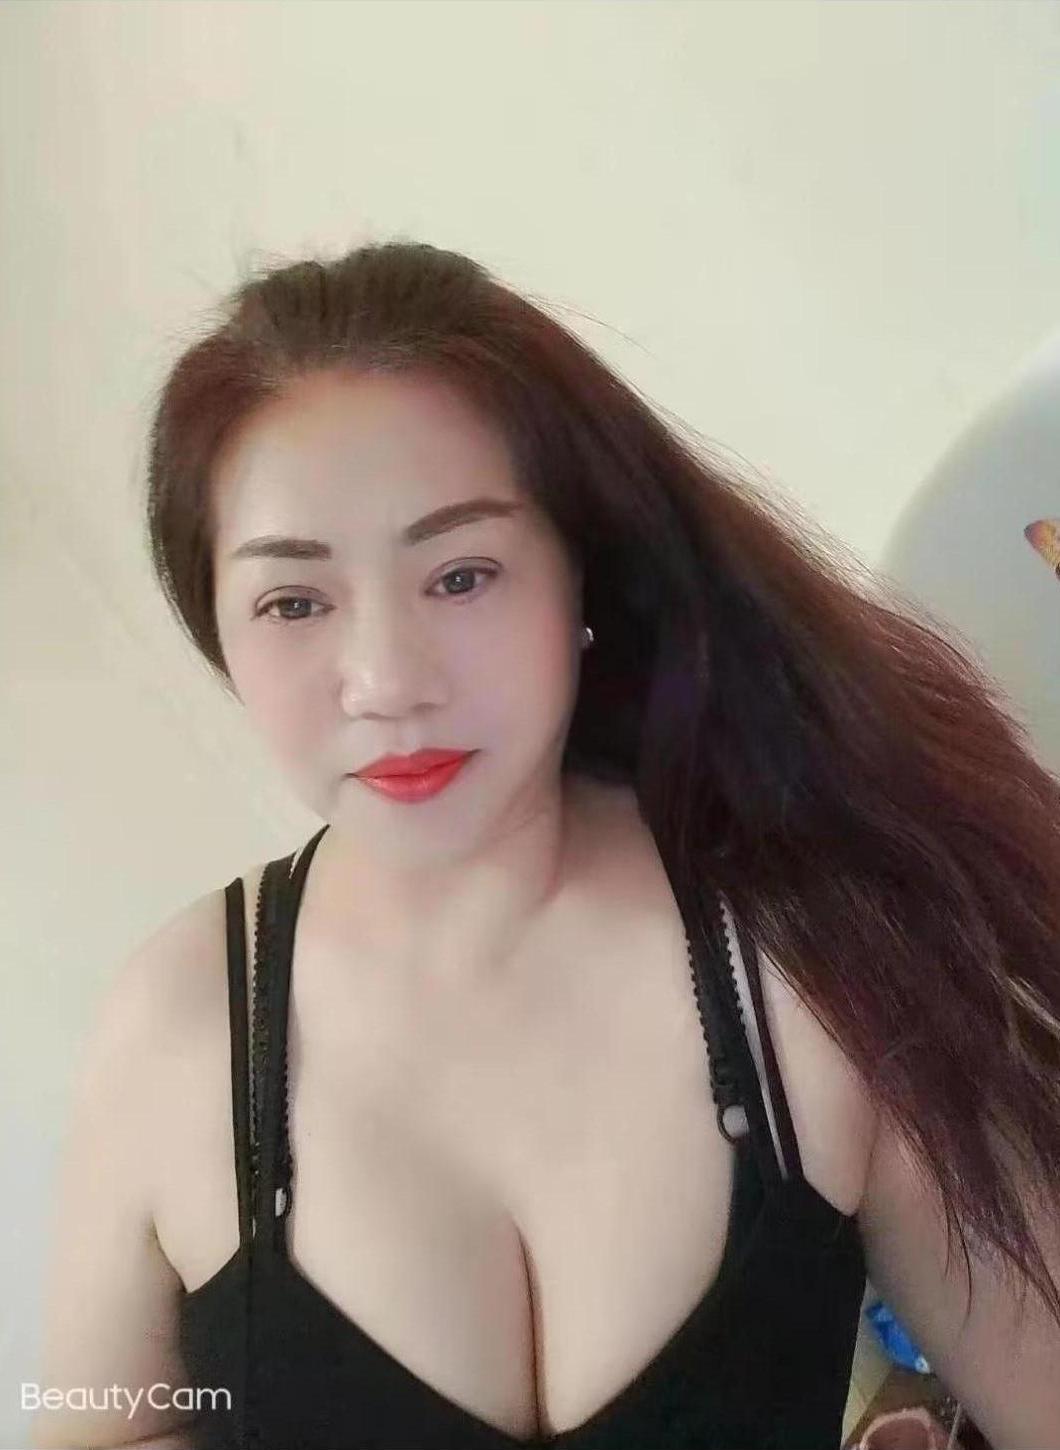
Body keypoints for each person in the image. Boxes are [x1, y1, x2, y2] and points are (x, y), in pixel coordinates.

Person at [33, 240, 1060, 1450]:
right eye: (294, 602)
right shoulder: (176, 1026)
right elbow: (90, 1423)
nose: (387, 681)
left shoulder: (811, 966)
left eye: (461, 575)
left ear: (583, 575)